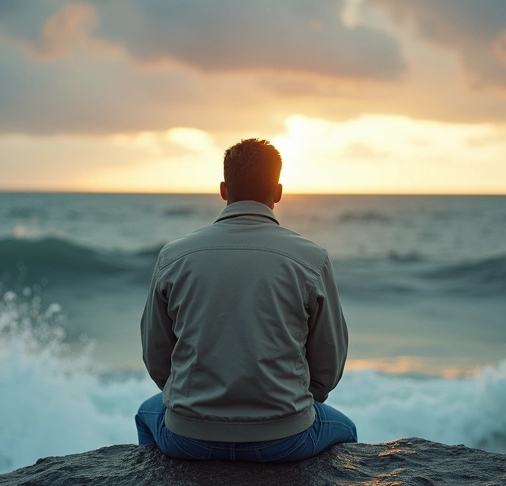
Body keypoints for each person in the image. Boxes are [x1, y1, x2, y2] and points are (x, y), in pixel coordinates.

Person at [136, 138, 356, 462]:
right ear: (278, 192)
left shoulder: (173, 256)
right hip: (284, 440)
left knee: (146, 414)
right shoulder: (312, 258)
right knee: (346, 429)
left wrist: (191, 403)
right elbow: (329, 363)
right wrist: (296, 403)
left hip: (189, 438)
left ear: (223, 190)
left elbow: (156, 355)